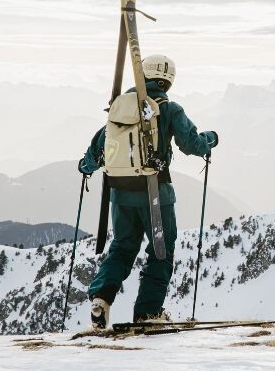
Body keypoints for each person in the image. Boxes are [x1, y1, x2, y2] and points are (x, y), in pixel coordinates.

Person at [78, 54, 218, 329]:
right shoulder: (168, 109)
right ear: (168, 81)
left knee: (122, 246)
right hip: (156, 193)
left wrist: (85, 166)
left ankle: (101, 298)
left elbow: (97, 150)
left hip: (119, 192)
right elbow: (192, 144)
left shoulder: (120, 107)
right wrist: (211, 139)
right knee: (160, 252)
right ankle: (147, 313)